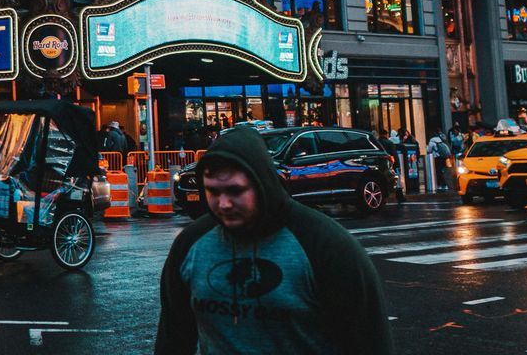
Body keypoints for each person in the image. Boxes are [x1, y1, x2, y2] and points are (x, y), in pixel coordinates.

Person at [155, 127, 393, 355]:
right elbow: (173, 337)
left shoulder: (325, 244)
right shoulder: (190, 244)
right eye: (213, 192)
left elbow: (369, 340)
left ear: (262, 183)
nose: (224, 203)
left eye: (235, 191)